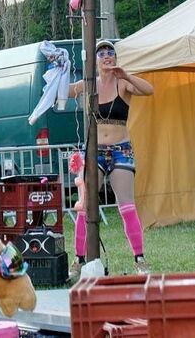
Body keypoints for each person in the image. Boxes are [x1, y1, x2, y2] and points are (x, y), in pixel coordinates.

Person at [66, 38, 155, 277]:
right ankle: (79, 258)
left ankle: (140, 258)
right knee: (84, 204)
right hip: (95, 151)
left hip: (121, 148)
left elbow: (149, 90)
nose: (107, 56)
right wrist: (61, 67)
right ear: (95, 60)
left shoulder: (122, 84)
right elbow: (65, 91)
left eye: (110, 52)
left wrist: (125, 75)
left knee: (126, 204)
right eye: (102, 53)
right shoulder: (89, 84)